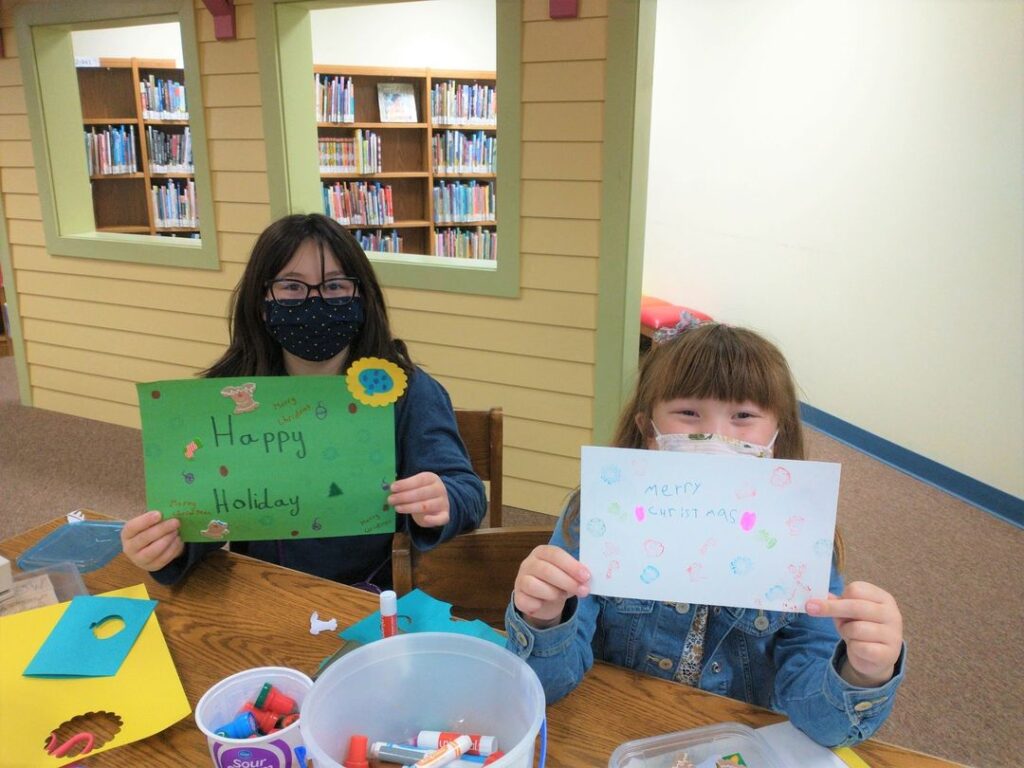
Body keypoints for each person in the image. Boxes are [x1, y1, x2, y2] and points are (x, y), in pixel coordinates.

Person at [505, 322, 905, 748]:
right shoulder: (601, 517)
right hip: (616, 727)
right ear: (647, 429)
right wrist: (543, 618)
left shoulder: (798, 543)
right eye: (689, 413)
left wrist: (862, 672)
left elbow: (823, 724)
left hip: (732, 744)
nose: (716, 438)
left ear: (776, 434)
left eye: (744, 417)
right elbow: (547, 687)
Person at [121, 213, 486, 588]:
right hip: (265, 591)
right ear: (261, 299)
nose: (316, 301)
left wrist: (444, 499)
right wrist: (169, 546)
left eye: (335, 286)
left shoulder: (406, 391)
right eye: (292, 287)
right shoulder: (228, 397)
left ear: (362, 295)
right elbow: (206, 514)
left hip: (375, 595)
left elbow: (468, 493)